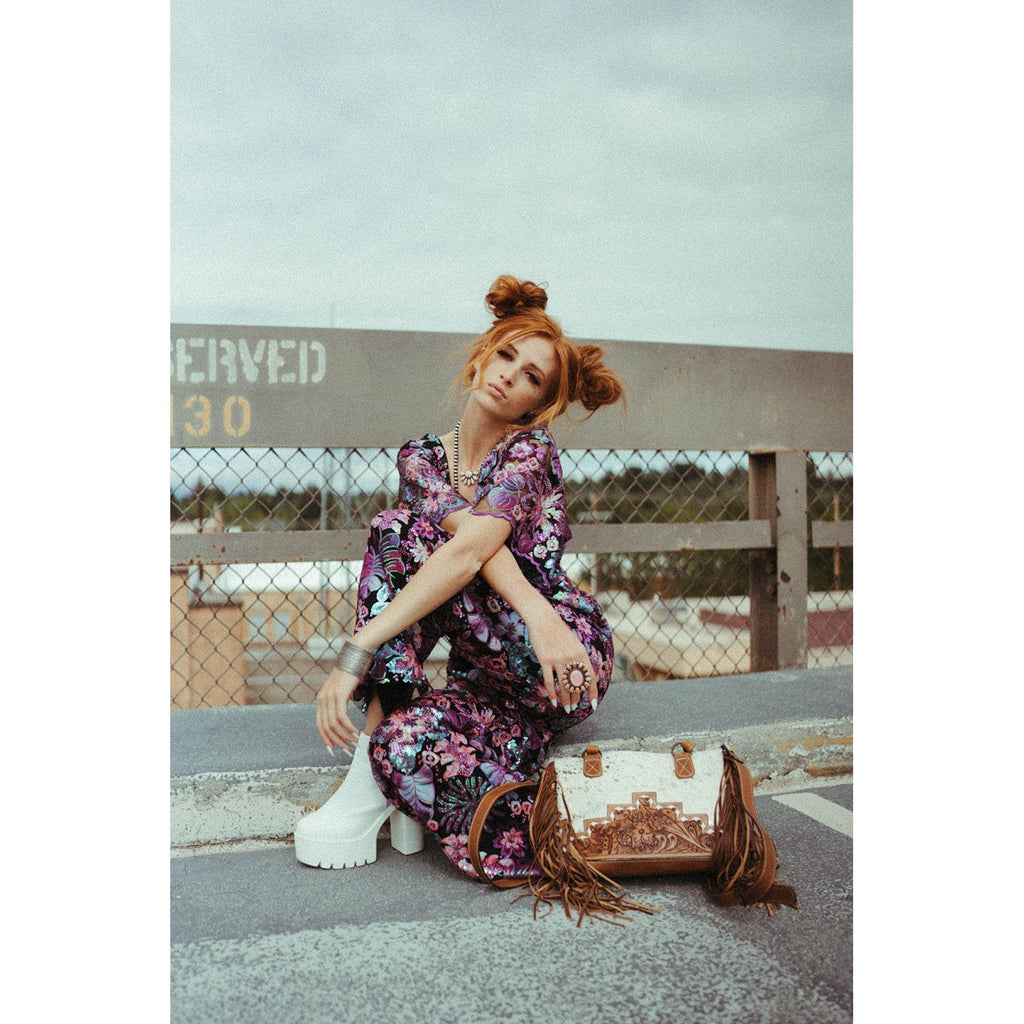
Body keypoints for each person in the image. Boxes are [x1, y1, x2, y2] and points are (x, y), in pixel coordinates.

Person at [294, 275, 626, 883]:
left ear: (536, 405)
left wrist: (355, 653)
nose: (509, 375)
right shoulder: (421, 457)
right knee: (401, 744)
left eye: (532, 377)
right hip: (488, 679)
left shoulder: (529, 451)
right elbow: (468, 548)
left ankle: (367, 783)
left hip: (559, 655)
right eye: (507, 355)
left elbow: (469, 554)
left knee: (401, 533)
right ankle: (402, 777)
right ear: (481, 356)